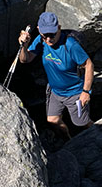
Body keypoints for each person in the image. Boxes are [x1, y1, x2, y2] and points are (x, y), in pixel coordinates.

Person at [18, 12, 94, 141]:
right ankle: (68, 140)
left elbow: (89, 65)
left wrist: (86, 92)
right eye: (45, 35)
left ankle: (97, 132)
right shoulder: (41, 41)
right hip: (55, 92)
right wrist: (24, 46)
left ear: (59, 28)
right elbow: (25, 60)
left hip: (74, 92)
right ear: (39, 30)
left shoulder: (70, 45)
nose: (49, 39)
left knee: (81, 123)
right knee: (52, 120)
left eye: (52, 34)